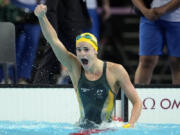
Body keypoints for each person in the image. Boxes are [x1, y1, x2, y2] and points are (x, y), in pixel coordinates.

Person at [34, 4, 142, 128]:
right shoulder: (75, 67)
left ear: (95, 51)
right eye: (78, 50)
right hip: (82, 128)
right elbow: (54, 41)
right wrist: (42, 18)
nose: (81, 53)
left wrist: (131, 124)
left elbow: (137, 102)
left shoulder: (115, 70)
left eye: (86, 49)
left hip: (106, 129)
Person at [33, 0, 91, 84]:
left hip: (74, 19)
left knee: (77, 54)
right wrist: (51, 27)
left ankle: (77, 83)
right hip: (63, 20)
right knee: (53, 49)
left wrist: (85, 16)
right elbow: (51, 7)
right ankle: (39, 83)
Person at [132, 0, 180, 84]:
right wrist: (144, 10)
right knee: (146, 60)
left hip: (177, 19)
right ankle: (138, 96)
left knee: (177, 62)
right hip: (151, 17)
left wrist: (163, 9)